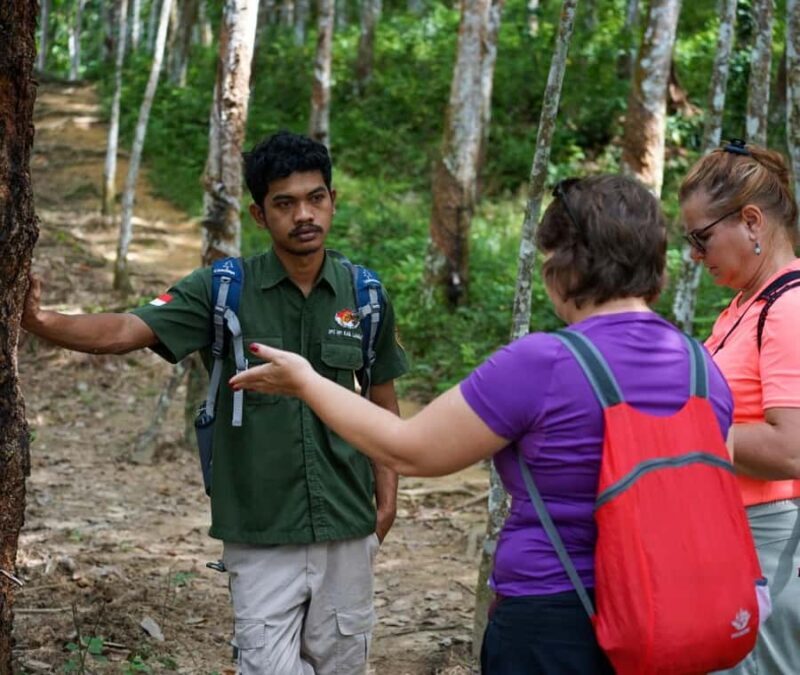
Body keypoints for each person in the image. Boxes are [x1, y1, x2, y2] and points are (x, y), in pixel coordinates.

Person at [230, 174, 736, 675]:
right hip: (670, 612)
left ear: (563, 266)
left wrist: (306, 381)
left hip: (556, 618)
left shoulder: (545, 363)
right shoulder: (702, 367)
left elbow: (411, 450)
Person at [22, 131, 408, 675]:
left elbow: (384, 405)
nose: (304, 214)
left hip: (347, 524)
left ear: (332, 200)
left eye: (315, 197)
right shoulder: (223, 289)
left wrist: (385, 505)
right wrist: (39, 321)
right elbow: (124, 329)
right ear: (258, 214)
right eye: (284, 203)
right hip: (259, 528)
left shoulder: (365, 296)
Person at [679, 141, 800, 675]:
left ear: (751, 221)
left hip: (772, 540)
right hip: (735, 536)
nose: (695, 255)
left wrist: (677, 432)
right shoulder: (745, 306)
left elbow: (790, 448)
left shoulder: (788, 306)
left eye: (701, 238)